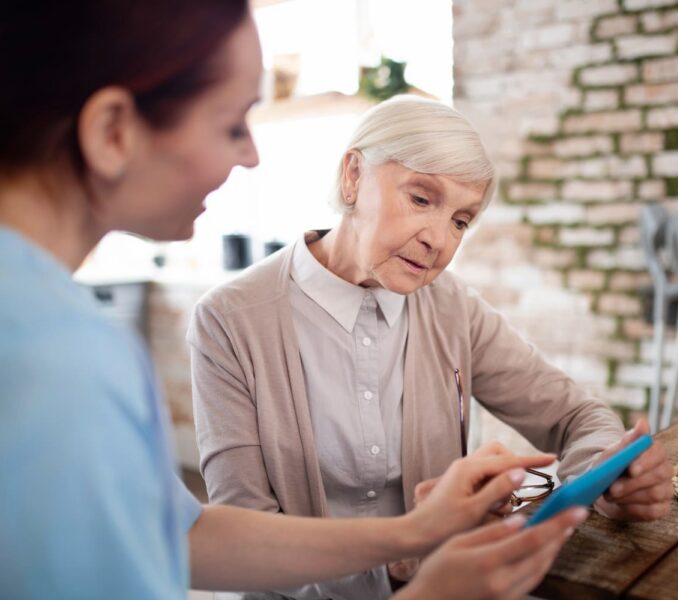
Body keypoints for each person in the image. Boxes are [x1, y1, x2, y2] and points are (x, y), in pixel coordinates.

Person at [0, 2, 590, 599]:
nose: (252, 155)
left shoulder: (53, 326)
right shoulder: (65, 355)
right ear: (112, 133)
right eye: (232, 123)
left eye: (461, 219)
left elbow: (187, 537)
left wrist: (417, 534)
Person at [189, 97, 674, 598]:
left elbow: (578, 416)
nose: (439, 240)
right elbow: (242, 538)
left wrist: (607, 479)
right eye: (421, 199)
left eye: (460, 221)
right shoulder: (230, 321)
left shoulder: (454, 308)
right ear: (353, 176)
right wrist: (398, 568)